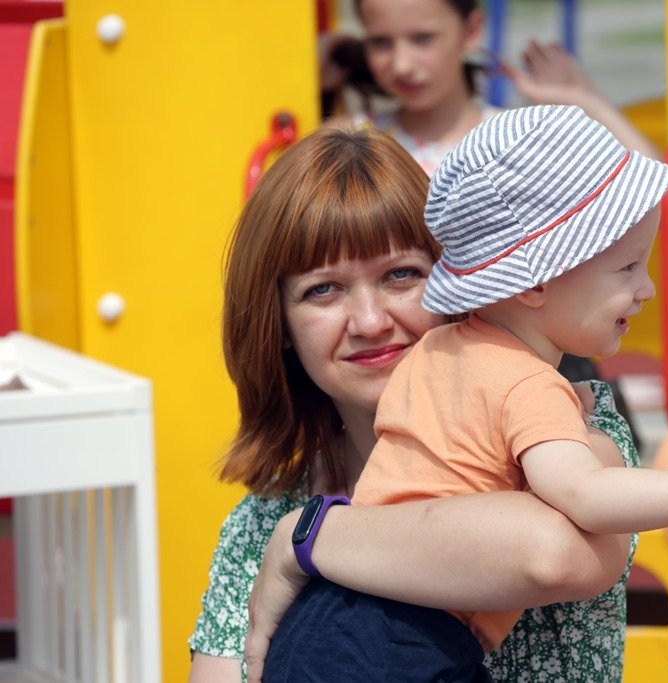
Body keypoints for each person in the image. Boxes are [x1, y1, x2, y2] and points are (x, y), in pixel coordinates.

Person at [255, 105, 668, 681]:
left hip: (326, 616)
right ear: (534, 281)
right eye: (627, 267)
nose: (646, 289)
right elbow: (587, 495)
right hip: (404, 641)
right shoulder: (527, 384)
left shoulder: (436, 353)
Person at [188, 125, 641, 683]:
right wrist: (298, 533)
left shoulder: (569, 425)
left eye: (400, 275)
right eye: (323, 289)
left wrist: (308, 539)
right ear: (278, 322)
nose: (370, 322)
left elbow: (551, 553)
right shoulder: (259, 523)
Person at [318, 0, 658, 177]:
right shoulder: (354, 138)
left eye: (422, 38)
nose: (402, 64)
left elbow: (653, 187)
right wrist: (313, 75)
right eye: (380, 42)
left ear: (471, 31)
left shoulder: (515, 139)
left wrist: (585, 101)